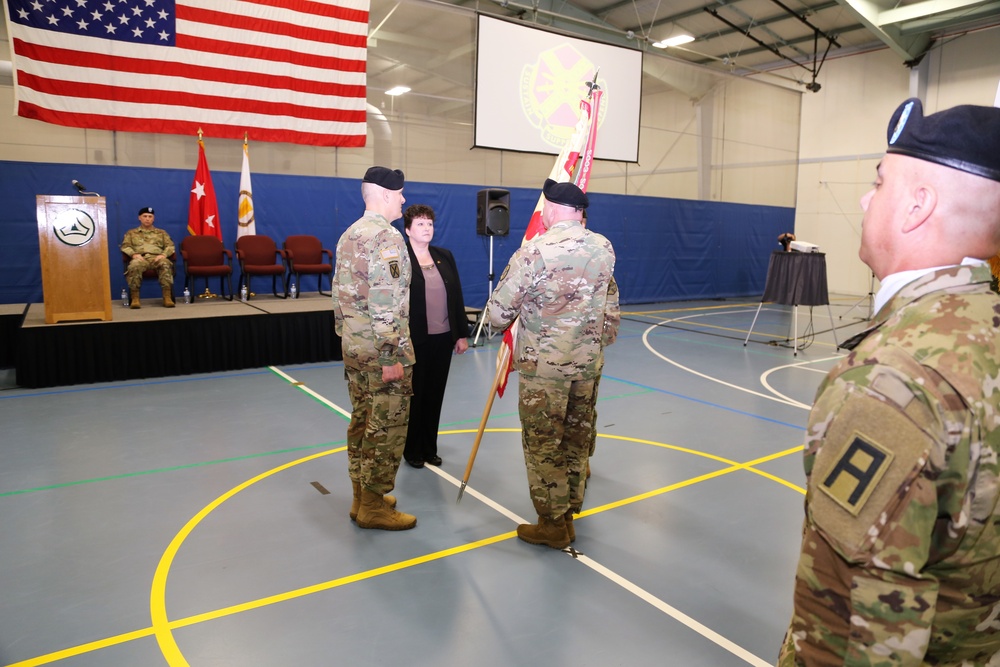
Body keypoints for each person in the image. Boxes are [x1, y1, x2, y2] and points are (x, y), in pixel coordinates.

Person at [779, 98, 1000, 666]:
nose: (863, 199)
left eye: (879, 183)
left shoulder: (891, 380)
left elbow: (851, 630)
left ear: (917, 205)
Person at [486, 179, 620, 549]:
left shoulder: (535, 251)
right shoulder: (603, 247)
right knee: (577, 439)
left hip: (545, 369)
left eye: (544, 205)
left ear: (555, 208)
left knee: (544, 443)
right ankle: (569, 513)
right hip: (587, 364)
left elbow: (498, 314)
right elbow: (611, 303)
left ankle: (552, 523)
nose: (541, 211)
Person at [331, 166, 417, 531]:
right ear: (384, 194)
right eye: (399, 193)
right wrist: (391, 356)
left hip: (355, 347)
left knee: (363, 422)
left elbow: (339, 296)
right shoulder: (387, 238)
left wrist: (349, 338)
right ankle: (373, 506)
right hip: (382, 352)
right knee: (386, 428)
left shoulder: (349, 234)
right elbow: (386, 302)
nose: (403, 199)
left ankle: (361, 496)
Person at [401, 204, 469, 469]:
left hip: (442, 338)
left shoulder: (444, 256)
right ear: (407, 230)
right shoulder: (401, 259)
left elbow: (457, 296)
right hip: (415, 340)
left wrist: (461, 334)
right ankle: (412, 450)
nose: (426, 228)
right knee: (415, 396)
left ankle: (429, 447)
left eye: (429, 223)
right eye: (420, 224)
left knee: (435, 394)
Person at [120, 207, 175, 308]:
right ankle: (135, 298)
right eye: (145, 216)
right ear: (139, 218)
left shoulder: (161, 233)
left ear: (153, 219)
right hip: (141, 258)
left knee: (165, 264)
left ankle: (167, 297)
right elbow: (125, 246)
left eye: (150, 216)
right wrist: (134, 254)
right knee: (134, 265)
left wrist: (163, 255)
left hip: (157, 258)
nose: (147, 219)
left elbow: (170, 246)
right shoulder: (131, 233)